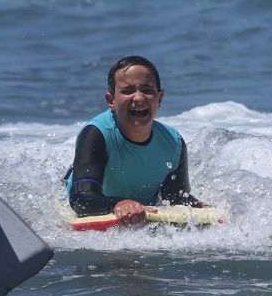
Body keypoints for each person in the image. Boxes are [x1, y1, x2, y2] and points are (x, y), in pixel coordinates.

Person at [66, 55, 203, 225]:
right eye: (128, 91)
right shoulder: (96, 134)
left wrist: (200, 207)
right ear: (111, 101)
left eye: (147, 90)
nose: (138, 98)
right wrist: (119, 203)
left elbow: (175, 198)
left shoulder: (173, 142)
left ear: (159, 98)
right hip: (91, 197)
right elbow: (81, 200)